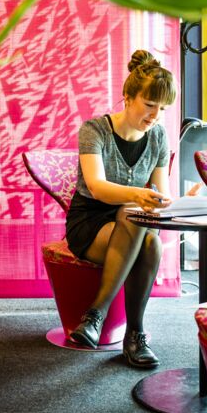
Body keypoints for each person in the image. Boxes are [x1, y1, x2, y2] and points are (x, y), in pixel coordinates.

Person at [65, 49, 175, 368]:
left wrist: (162, 200)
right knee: (133, 213)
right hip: (90, 223)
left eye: (163, 108)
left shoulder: (158, 137)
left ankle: (105, 323)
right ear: (128, 97)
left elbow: (160, 192)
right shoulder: (94, 130)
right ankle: (126, 330)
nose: (155, 114)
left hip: (134, 223)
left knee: (146, 234)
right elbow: (97, 186)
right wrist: (141, 197)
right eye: (150, 104)